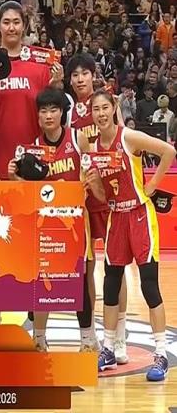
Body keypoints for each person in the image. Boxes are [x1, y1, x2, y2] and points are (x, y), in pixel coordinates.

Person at [8, 87, 105, 352]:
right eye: (44, 111)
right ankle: (39, 339)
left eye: (54, 110)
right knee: (43, 281)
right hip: (46, 224)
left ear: (62, 113)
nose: (49, 115)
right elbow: (28, 192)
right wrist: (15, 176)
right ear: (38, 116)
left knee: (80, 281)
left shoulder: (77, 138)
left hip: (75, 222)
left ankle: (88, 340)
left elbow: (92, 176)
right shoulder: (33, 149)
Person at [93, 89, 176, 381]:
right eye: (96, 109)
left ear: (113, 108)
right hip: (116, 216)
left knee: (149, 286)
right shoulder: (95, 147)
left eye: (105, 108)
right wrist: (93, 185)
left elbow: (169, 151)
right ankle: (108, 348)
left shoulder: (127, 137)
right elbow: (103, 196)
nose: (101, 114)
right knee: (111, 285)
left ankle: (160, 354)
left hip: (140, 216)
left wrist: (152, 184)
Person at [65, 53, 127, 360]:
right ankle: (88, 335)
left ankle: (119, 337)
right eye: (75, 75)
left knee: (116, 267)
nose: (80, 79)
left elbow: (124, 142)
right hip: (87, 198)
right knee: (87, 269)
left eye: (84, 73)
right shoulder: (69, 112)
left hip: (112, 194)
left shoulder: (108, 103)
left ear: (93, 75)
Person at [0, 0, 64, 181]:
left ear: (24, 26)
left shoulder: (41, 65)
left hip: (32, 165)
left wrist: (56, 84)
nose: (11, 28)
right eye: (6, 22)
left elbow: (50, 113)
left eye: (16, 22)